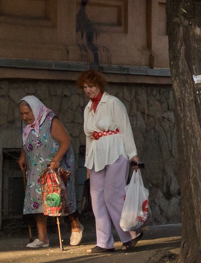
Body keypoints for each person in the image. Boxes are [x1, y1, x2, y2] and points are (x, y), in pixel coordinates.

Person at [77, 70, 142, 253]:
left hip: (115, 151)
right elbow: (89, 137)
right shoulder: (88, 109)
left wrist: (132, 154)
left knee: (113, 194)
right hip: (97, 155)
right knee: (96, 197)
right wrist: (88, 166)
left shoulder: (113, 103)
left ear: (99, 85)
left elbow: (125, 129)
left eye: (91, 86)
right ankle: (104, 242)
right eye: (85, 87)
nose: (88, 90)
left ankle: (131, 234)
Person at [17, 96, 82, 248]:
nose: (24, 117)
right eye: (22, 114)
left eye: (27, 113)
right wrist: (22, 156)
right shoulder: (26, 124)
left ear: (35, 109)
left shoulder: (51, 120)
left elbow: (66, 141)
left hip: (55, 166)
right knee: (37, 200)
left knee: (61, 199)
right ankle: (42, 238)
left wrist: (56, 160)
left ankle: (75, 226)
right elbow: (26, 139)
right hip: (36, 167)